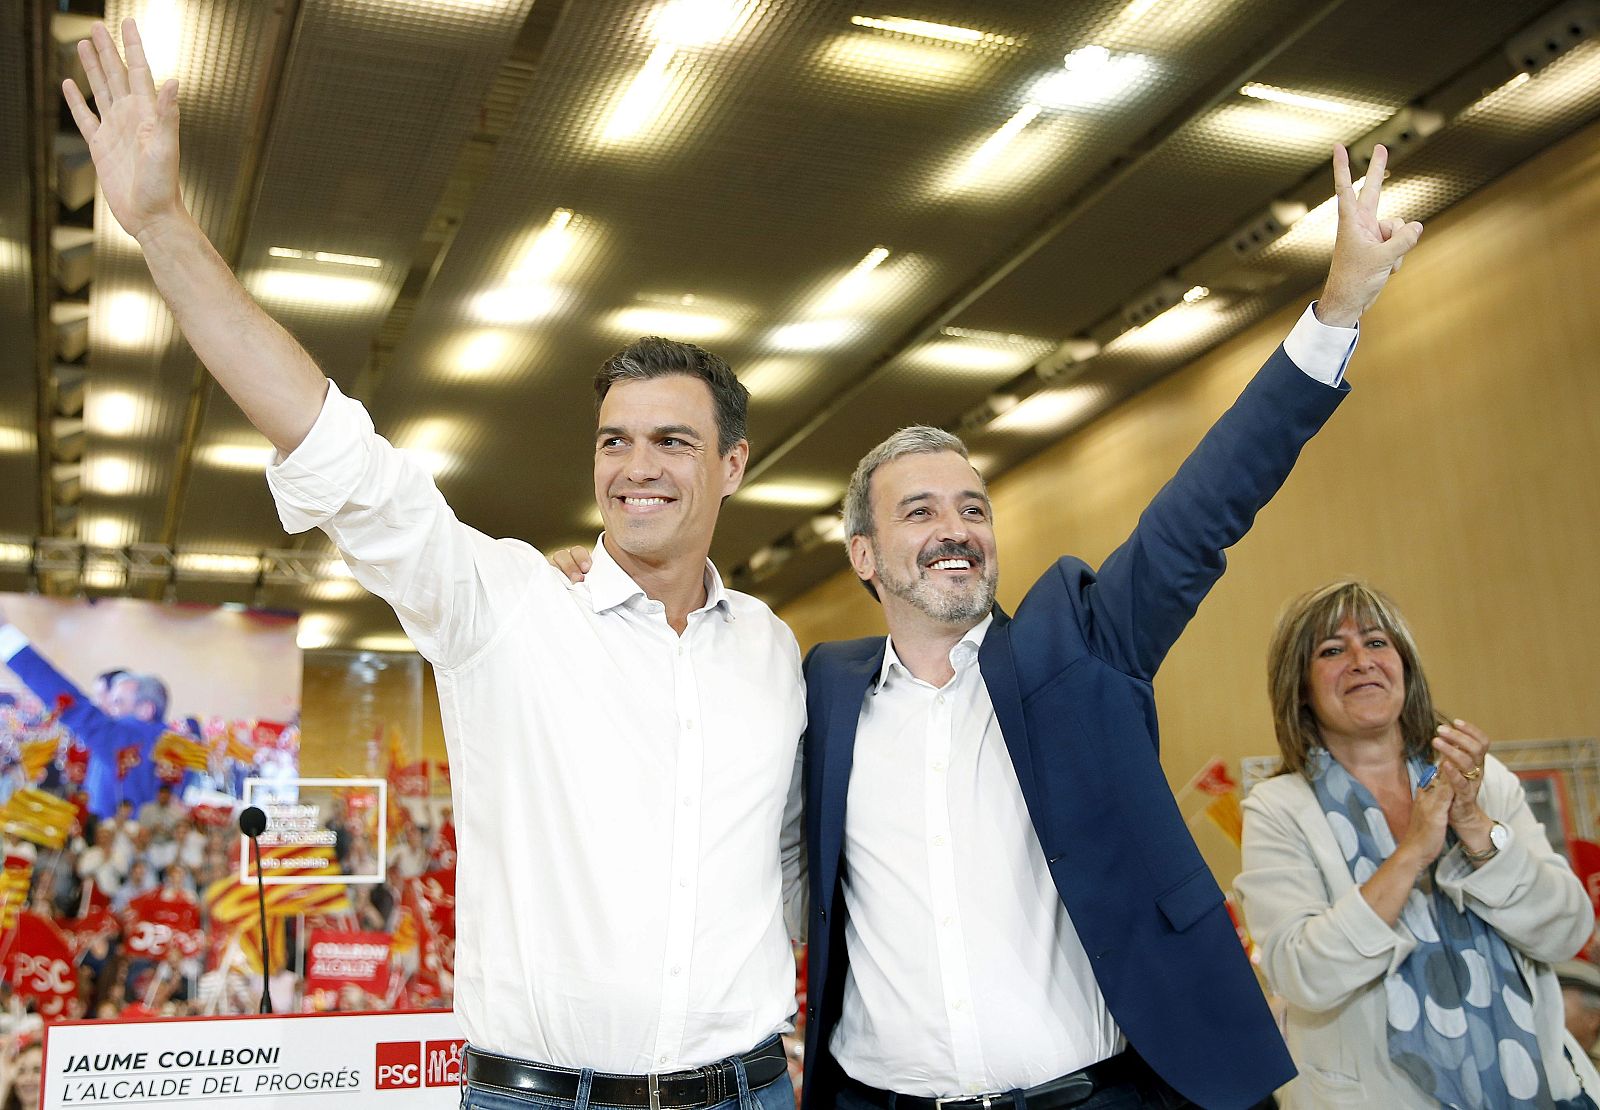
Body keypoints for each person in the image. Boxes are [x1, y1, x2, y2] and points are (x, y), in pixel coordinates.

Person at [65, 20, 803, 1110]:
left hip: (748, 1093)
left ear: (732, 466)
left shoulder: (773, 653)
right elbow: (334, 449)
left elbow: (796, 866)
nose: (636, 468)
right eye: (614, 440)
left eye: (672, 442)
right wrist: (164, 224)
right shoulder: (505, 605)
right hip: (537, 1097)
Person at [797, 147, 1420, 1110]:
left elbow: (1203, 509)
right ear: (864, 556)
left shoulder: (1077, 647)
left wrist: (1336, 309)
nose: (956, 529)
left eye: (972, 508)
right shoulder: (820, 691)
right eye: (919, 512)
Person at [1235, 580, 1592, 1108]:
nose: (1361, 661)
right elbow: (1302, 974)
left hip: (1538, 1091)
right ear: (1301, 688)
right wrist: (1411, 854)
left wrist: (1473, 825)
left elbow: (1567, 932)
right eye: (1332, 650)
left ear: (1404, 666)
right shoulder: (1278, 808)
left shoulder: (1482, 779)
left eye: (1377, 642)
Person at [0, 619, 169, 820]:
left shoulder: (131, 740)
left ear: (146, 710)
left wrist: (5, 637)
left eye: (118, 703)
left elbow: (70, 704)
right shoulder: (163, 745)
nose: (108, 710)